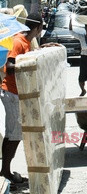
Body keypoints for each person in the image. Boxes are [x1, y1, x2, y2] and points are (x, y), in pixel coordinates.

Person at [0, 13, 43, 186]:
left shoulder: (27, 42)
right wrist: (27, 65)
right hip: (10, 92)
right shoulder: (18, 42)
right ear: (37, 27)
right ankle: (5, 170)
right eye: (41, 27)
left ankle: (5, 169)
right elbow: (9, 66)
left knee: (14, 133)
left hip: (17, 93)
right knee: (14, 134)